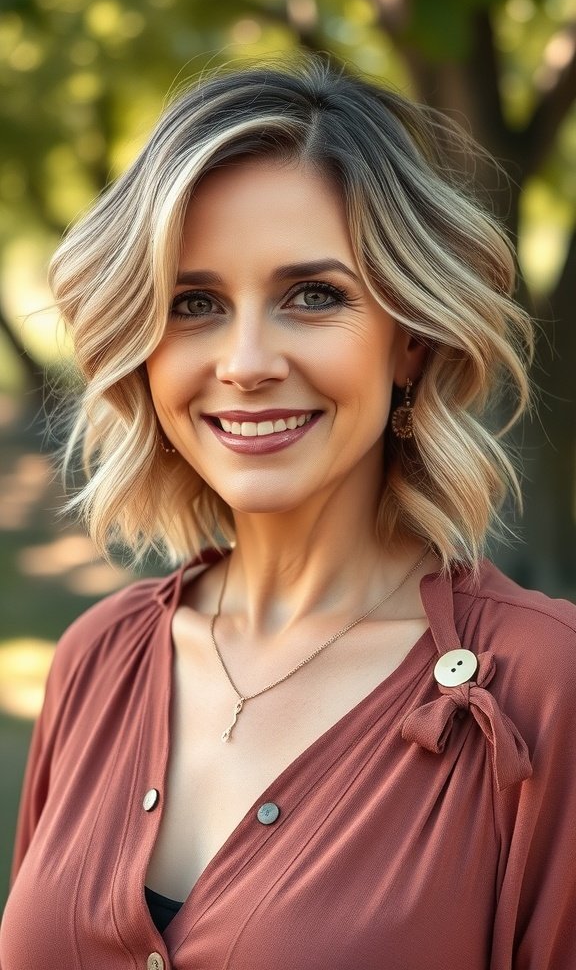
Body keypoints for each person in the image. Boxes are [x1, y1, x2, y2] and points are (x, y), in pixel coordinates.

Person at [1, 57, 575, 970]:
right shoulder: (95, 658)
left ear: (412, 340)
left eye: (313, 296)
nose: (245, 361)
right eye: (193, 304)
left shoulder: (548, 684)